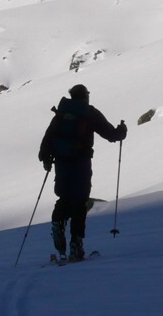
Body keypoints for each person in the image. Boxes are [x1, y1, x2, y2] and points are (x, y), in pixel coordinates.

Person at [38, 84, 127, 261]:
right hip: (81, 162)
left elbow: (48, 137)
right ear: (86, 96)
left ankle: (58, 222)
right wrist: (121, 131)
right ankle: (76, 244)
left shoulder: (61, 113)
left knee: (64, 198)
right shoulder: (89, 112)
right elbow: (110, 134)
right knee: (79, 202)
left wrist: (45, 158)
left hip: (61, 163)